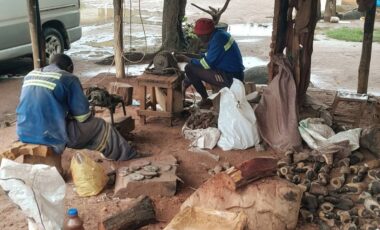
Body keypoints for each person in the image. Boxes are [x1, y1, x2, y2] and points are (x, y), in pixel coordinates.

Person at [16, 54, 139, 161]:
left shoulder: (30, 75)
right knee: (101, 126)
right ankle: (126, 155)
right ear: (70, 68)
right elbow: (83, 117)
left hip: (23, 131)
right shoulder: (68, 78)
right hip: (49, 135)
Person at [177, 18, 245, 108]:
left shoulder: (218, 40)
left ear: (206, 34)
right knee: (193, 67)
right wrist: (190, 56)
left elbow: (207, 64)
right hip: (231, 72)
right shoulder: (219, 34)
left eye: (200, 36)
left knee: (189, 68)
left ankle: (206, 100)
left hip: (231, 78)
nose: (199, 38)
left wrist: (186, 59)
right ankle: (204, 98)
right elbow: (208, 57)